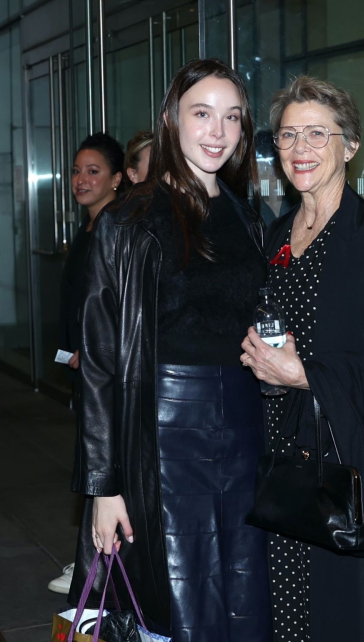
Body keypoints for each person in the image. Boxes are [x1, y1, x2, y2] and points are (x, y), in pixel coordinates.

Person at [68, 59, 273, 642]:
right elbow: (102, 363)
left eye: (231, 117)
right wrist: (104, 487)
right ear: (171, 121)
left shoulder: (246, 216)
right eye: (201, 114)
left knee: (243, 594)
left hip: (242, 427)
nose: (217, 131)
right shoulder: (130, 219)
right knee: (179, 601)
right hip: (160, 435)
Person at [241, 76, 364, 642]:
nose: (300, 149)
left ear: (348, 146)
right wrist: (268, 368)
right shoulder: (278, 235)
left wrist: (304, 374)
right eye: (287, 136)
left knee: (350, 617)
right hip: (292, 460)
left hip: (357, 465)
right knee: (295, 614)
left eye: (316, 134)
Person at [48, 132, 123, 594]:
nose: (81, 179)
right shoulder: (90, 227)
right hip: (85, 368)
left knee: (100, 462)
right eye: (77, 171)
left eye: (93, 171)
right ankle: (91, 559)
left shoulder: (115, 229)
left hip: (105, 373)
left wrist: (92, 351)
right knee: (89, 459)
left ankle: (94, 565)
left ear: (118, 179)